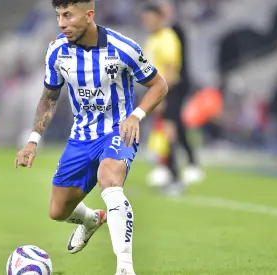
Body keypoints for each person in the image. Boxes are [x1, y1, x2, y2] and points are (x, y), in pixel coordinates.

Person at [14, 1, 169, 274]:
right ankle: (91, 219)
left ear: (89, 15)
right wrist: (33, 139)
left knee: (109, 181)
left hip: (118, 130)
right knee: (58, 211)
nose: (61, 23)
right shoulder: (57, 52)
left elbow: (159, 84)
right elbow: (50, 97)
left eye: (68, 15)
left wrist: (136, 116)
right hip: (81, 138)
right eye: (58, 16)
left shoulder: (124, 48)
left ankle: (124, 268)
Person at [141, 3, 201, 194]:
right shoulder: (153, 39)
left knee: (169, 130)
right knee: (165, 130)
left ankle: (175, 177)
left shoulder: (167, 37)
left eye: (150, 19)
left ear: (159, 18)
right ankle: (169, 171)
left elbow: (170, 68)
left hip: (168, 90)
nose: (147, 23)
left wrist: (161, 96)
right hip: (158, 91)